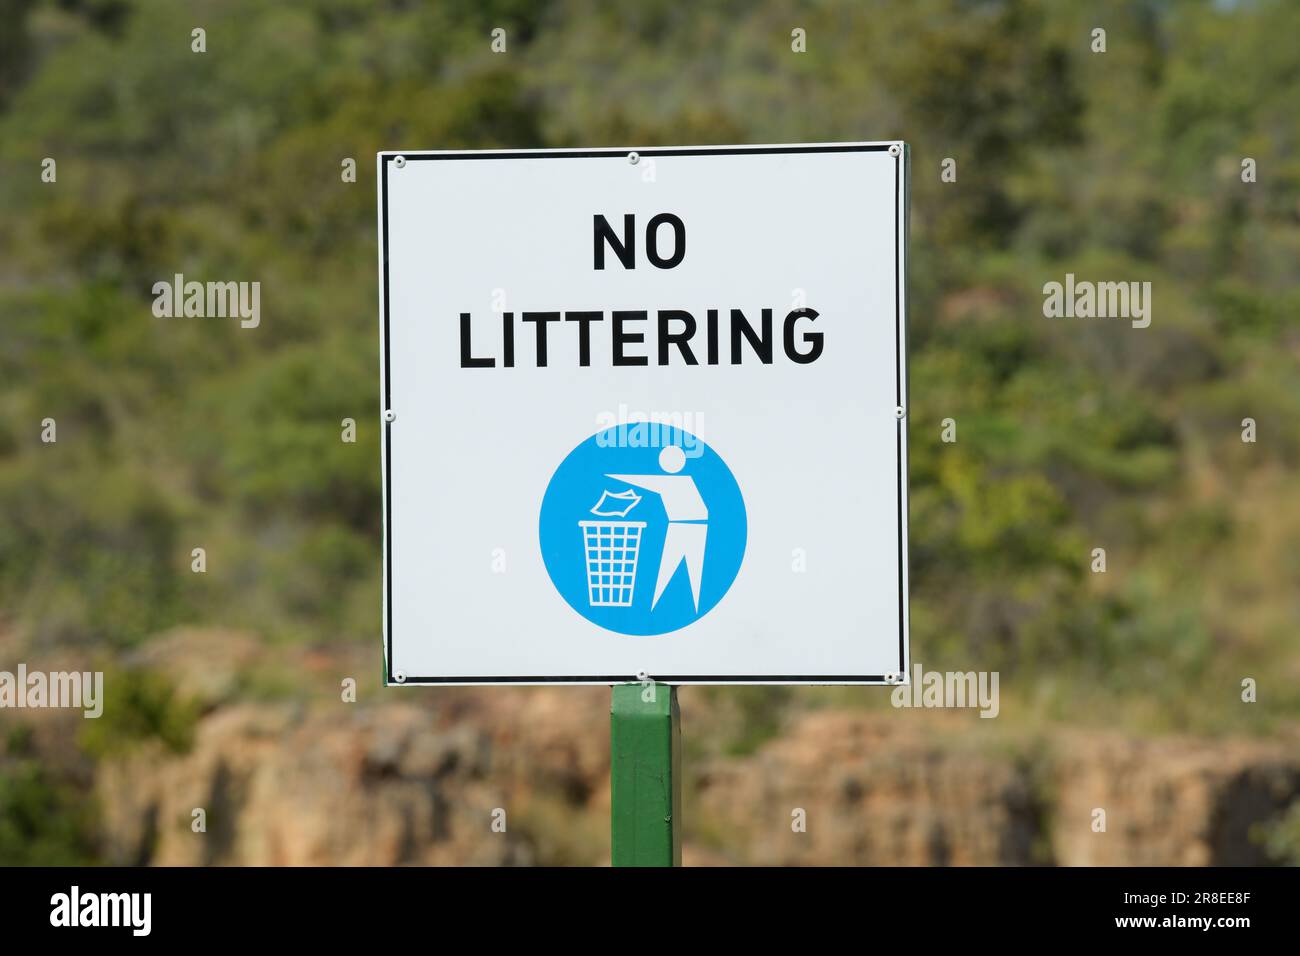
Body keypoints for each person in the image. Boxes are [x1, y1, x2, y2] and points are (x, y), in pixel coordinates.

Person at [607, 445, 708, 611]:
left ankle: (663, 605)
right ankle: (674, 605)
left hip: (685, 527)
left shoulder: (679, 482)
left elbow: (650, 481)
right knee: (684, 579)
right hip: (688, 526)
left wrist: (617, 476)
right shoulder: (685, 482)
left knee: (677, 578)